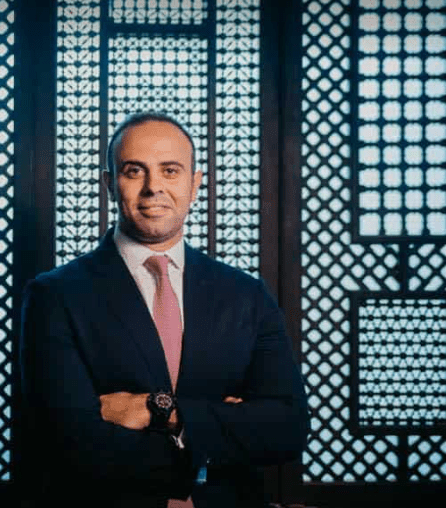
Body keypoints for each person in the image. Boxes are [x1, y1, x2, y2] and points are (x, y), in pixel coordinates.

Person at [20, 112, 308, 507]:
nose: (153, 186)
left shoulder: (247, 295)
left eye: (170, 171)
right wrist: (220, 434)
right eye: (134, 171)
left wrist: (162, 412)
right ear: (109, 184)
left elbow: (288, 428)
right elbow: (71, 442)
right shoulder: (54, 295)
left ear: (195, 184)